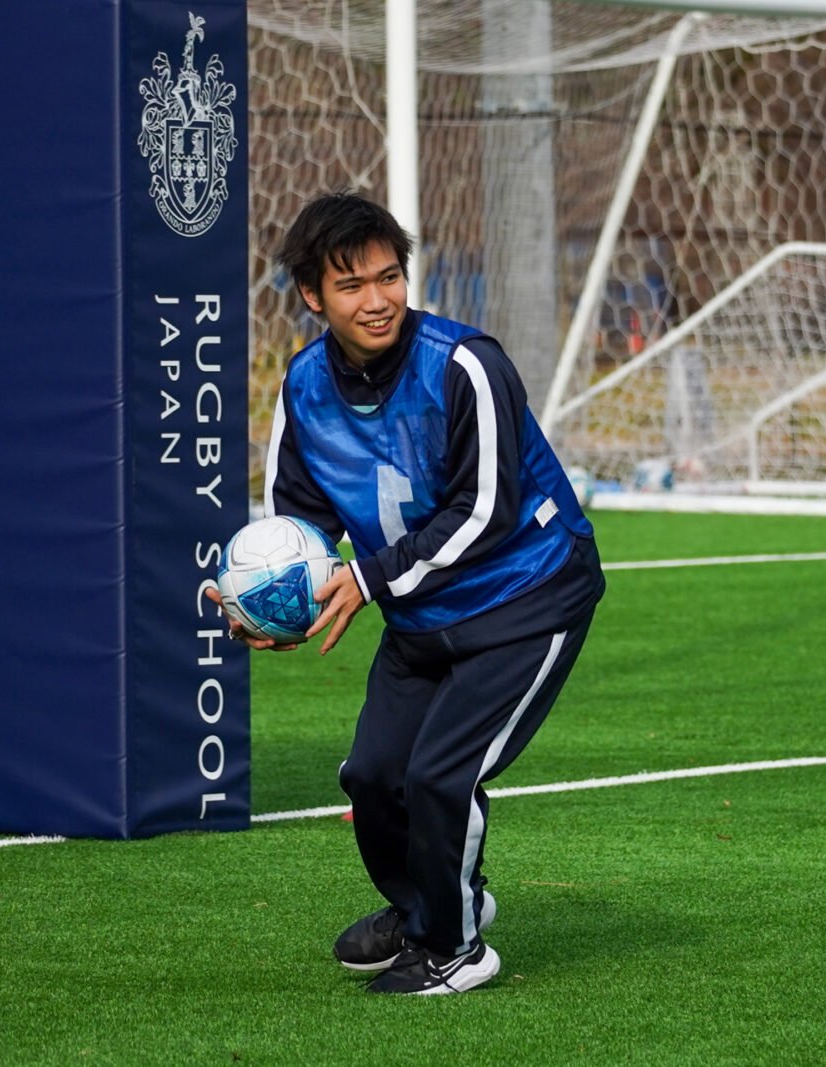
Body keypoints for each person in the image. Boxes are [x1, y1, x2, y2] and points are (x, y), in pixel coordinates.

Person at [208, 193, 603, 995]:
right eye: (352, 285)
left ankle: (456, 949)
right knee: (373, 773)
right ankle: (429, 905)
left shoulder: (465, 366)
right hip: (422, 611)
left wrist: (367, 578)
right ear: (313, 296)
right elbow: (303, 521)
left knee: (438, 776)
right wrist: (277, 603)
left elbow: (486, 510)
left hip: (528, 595)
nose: (378, 298)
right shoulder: (304, 385)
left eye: (390, 277)